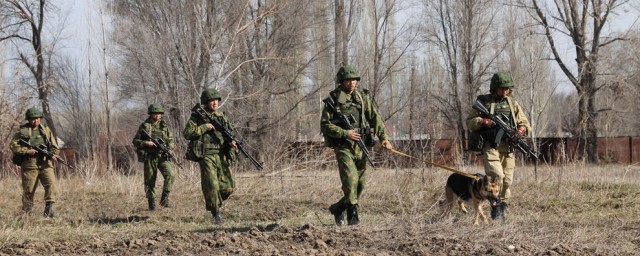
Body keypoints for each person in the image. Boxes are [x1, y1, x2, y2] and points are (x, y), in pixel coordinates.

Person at [320, 64, 394, 226]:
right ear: (342, 81)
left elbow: (375, 118)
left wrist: (384, 138)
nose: (352, 83)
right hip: (343, 145)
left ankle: (339, 207)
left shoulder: (362, 98)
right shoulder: (334, 100)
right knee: (350, 179)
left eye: (354, 80)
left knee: (360, 182)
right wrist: (345, 133)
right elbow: (325, 124)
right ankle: (353, 214)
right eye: (348, 80)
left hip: (360, 144)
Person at [466, 72, 531, 219]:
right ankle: (495, 207)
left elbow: (525, 124)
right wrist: (483, 122)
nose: (505, 91)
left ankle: (502, 207)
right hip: (490, 146)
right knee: (497, 175)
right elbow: (469, 122)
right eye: (502, 88)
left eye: (507, 88)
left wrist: (521, 130)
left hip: (507, 148)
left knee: (507, 181)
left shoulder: (512, 103)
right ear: (494, 88)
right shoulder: (484, 102)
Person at [183, 88, 237, 224]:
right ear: (205, 102)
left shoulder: (222, 117)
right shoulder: (197, 117)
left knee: (229, 187)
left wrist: (232, 144)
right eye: (211, 101)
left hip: (221, 154)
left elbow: (229, 134)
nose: (214, 103)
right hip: (206, 155)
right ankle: (216, 214)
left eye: (216, 100)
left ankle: (215, 203)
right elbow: (187, 133)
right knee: (212, 185)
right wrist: (204, 127)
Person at [10, 108, 60, 217]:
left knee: (51, 184)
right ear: (28, 119)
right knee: (29, 189)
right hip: (30, 164)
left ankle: (49, 209)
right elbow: (13, 145)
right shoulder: (22, 131)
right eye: (32, 119)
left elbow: (54, 146)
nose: (35, 121)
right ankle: (27, 213)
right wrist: (27, 151)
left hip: (45, 163)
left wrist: (54, 155)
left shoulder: (45, 129)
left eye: (37, 119)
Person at [132, 104, 176, 211]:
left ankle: (164, 199)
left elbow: (171, 140)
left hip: (162, 156)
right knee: (149, 181)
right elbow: (135, 141)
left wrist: (170, 146)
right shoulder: (144, 126)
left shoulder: (164, 126)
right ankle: (151, 204)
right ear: (151, 114)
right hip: (150, 157)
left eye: (159, 114)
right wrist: (146, 143)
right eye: (155, 113)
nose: (157, 115)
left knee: (171, 174)